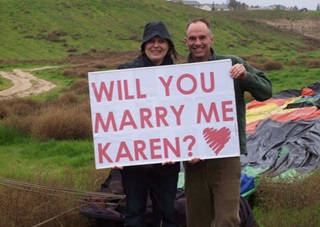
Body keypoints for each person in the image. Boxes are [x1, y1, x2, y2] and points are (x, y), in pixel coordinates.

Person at [183, 17, 272, 227]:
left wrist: (246, 76)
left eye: (202, 37)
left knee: (227, 220)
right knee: (197, 221)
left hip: (225, 158)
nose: (198, 42)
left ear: (211, 39)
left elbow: (266, 92)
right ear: (185, 41)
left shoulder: (231, 64)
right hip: (194, 163)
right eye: (192, 38)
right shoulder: (178, 75)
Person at [117, 21, 180, 227]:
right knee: (134, 215)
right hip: (134, 161)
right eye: (151, 41)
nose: (156, 45)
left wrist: (182, 149)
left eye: (161, 41)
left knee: (166, 216)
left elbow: (187, 118)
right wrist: (114, 150)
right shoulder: (124, 72)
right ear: (143, 45)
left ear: (169, 45)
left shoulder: (182, 77)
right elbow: (114, 115)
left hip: (168, 162)